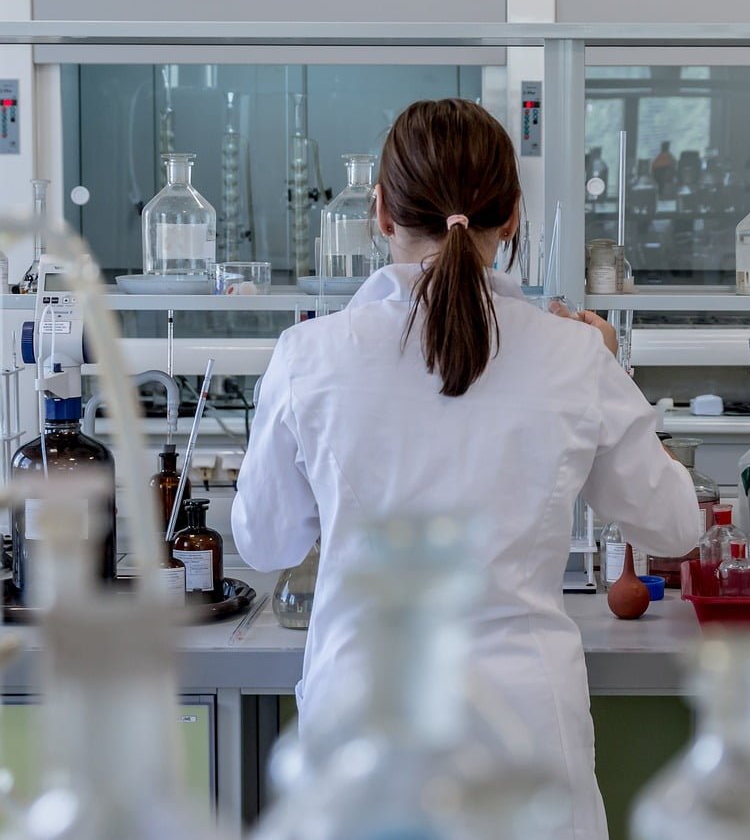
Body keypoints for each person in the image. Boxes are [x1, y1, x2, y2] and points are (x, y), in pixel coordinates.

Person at [231, 99, 702, 839]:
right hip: (527, 742)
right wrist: (615, 368)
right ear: (512, 216)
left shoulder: (308, 356)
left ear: (381, 212)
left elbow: (266, 544)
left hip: (362, 737)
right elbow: (675, 524)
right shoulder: (574, 354)